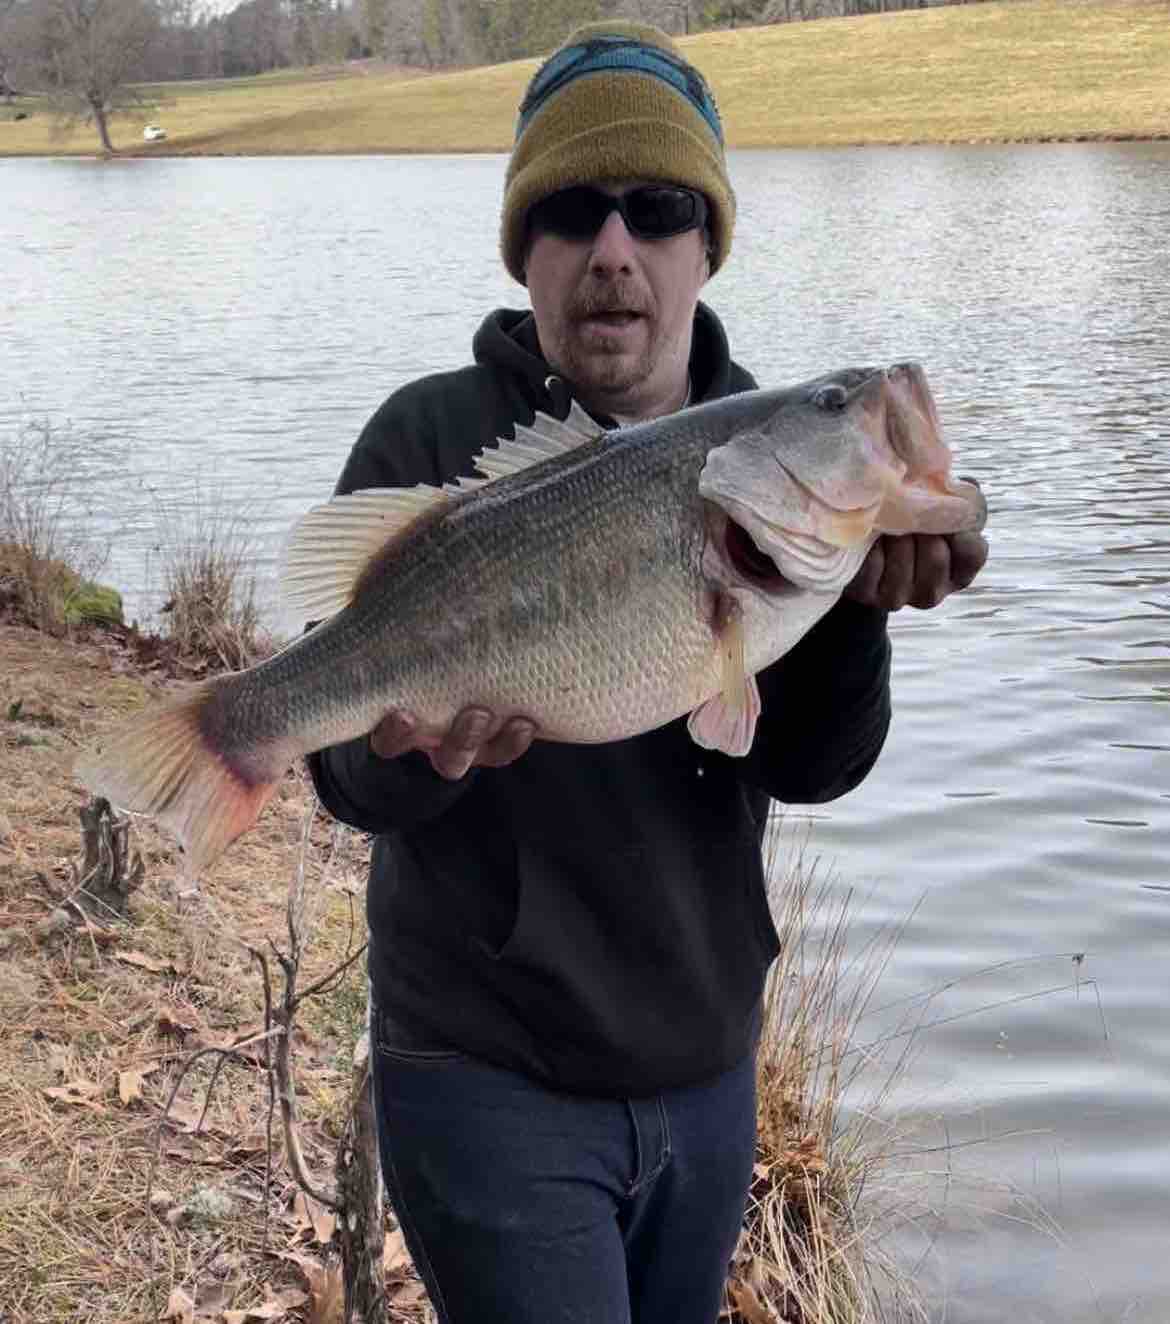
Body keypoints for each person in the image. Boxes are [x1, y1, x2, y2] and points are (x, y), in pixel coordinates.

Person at [308, 21, 987, 1324]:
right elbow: (346, 778)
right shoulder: (429, 439)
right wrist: (407, 757)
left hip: (703, 1064)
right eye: (571, 209)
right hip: (483, 1065)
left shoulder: (767, 464)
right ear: (525, 249)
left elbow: (813, 765)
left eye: (657, 208)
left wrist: (852, 608)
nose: (613, 248)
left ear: (702, 245)